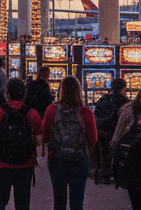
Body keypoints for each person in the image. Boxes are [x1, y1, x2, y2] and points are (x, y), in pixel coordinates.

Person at [0, 78, 44, 210]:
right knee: (22, 203)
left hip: (1, 163)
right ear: (24, 94)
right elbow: (39, 140)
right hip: (25, 164)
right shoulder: (32, 113)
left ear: (7, 93)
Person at [42, 75, 97, 210]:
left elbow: (44, 134)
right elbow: (93, 139)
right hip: (79, 160)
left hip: (56, 159)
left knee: (59, 200)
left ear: (61, 90)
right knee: (77, 202)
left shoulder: (52, 110)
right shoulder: (85, 112)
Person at [92, 77, 128, 183]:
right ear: (123, 88)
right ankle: (114, 173)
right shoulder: (124, 100)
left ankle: (101, 172)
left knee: (103, 151)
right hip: (113, 130)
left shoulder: (104, 98)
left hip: (100, 129)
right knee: (114, 151)